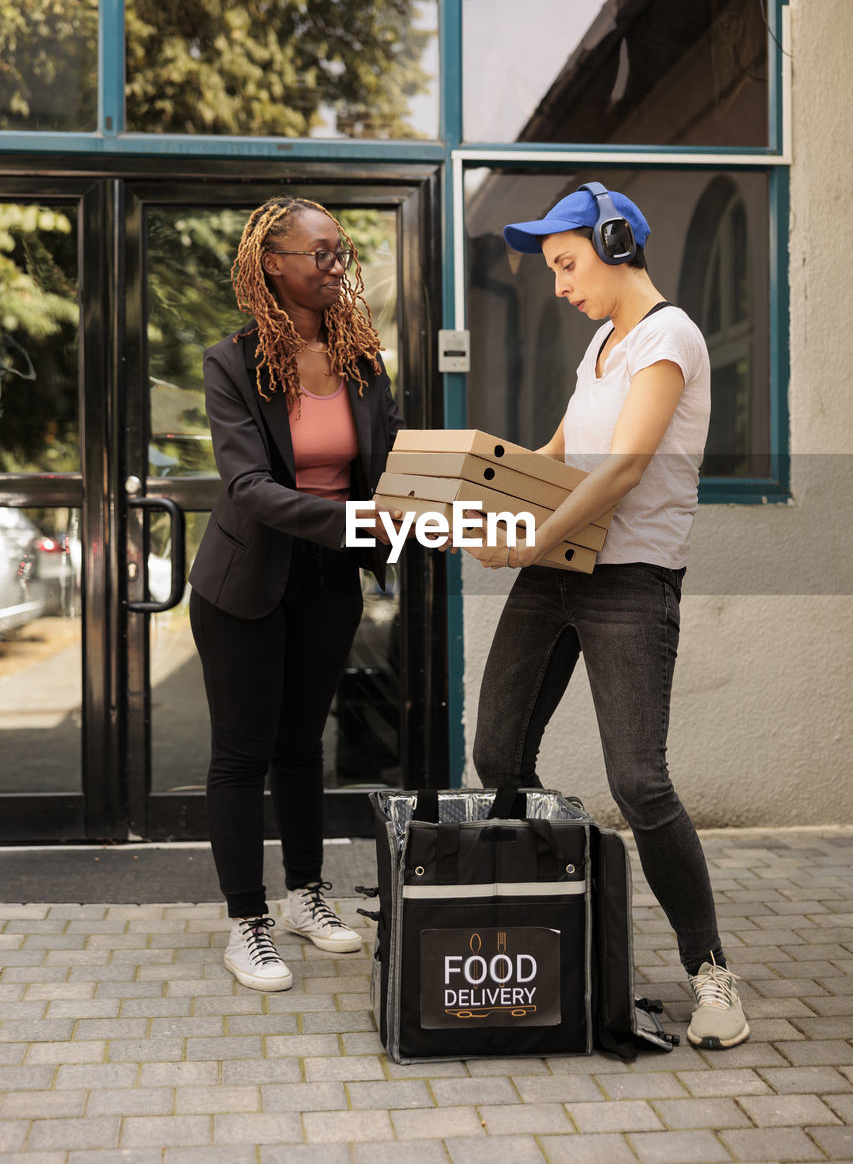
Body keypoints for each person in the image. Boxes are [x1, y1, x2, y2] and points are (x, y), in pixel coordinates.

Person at [468, 183, 749, 1050]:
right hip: (555, 572)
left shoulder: (668, 337)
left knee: (639, 781)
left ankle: (711, 976)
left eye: (565, 263)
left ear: (616, 240)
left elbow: (623, 468)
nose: (557, 285)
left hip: (630, 581)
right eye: (550, 269)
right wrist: (471, 486)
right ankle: (546, 910)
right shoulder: (601, 341)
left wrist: (526, 537)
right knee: (497, 752)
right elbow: (557, 451)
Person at [188, 195, 403, 991]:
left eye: (341, 252)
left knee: (302, 747)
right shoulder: (231, 361)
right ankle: (246, 924)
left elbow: (391, 461)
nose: (336, 265)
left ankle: (306, 899)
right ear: (272, 263)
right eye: (321, 253)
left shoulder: (361, 360)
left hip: (329, 578)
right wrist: (355, 514)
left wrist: (426, 505)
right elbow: (246, 486)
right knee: (243, 754)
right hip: (245, 580)